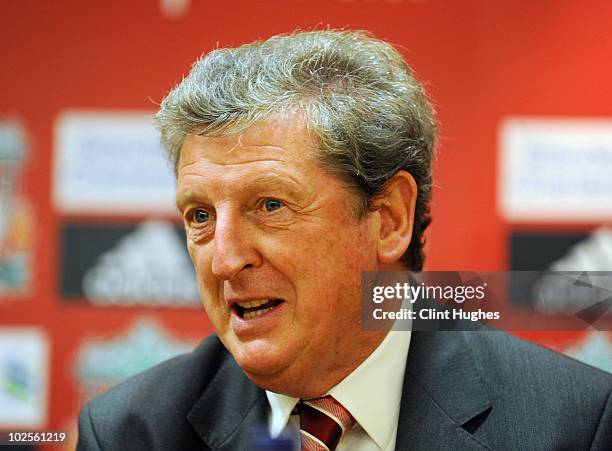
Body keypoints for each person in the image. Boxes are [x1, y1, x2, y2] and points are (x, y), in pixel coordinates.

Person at [76, 30, 612, 450]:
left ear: (389, 219)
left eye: (270, 206)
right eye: (199, 216)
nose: (224, 258)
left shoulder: (570, 424)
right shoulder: (131, 431)